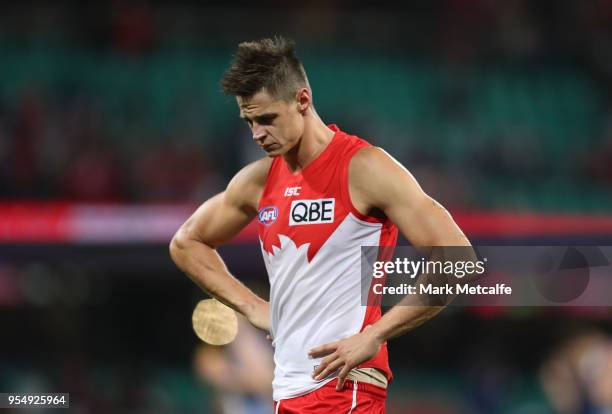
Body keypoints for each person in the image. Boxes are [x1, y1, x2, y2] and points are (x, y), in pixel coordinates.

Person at [169, 37, 471, 413]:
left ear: (302, 100)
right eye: (249, 121)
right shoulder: (259, 182)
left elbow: (460, 261)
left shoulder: (365, 168)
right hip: (286, 390)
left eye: (266, 119)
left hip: (346, 387)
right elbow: (186, 243)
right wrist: (251, 306)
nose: (257, 134)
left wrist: (375, 335)